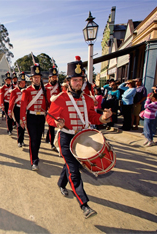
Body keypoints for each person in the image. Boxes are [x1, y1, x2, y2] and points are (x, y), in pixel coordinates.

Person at [47, 58, 112, 219]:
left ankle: (61, 184)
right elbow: (49, 118)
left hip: (82, 138)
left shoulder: (88, 99)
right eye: (75, 80)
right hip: (66, 138)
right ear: (68, 82)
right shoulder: (60, 99)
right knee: (74, 171)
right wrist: (57, 122)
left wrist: (103, 118)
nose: (78, 83)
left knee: (70, 166)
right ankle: (84, 205)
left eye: (80, 80)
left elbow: (92, 117)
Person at [20, 64, 50, 171]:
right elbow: (23, 106)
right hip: (31, 117)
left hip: (41, 118)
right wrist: (22, 120)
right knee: (33, 139)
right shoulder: (27, 91)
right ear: (31, 79)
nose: (37, 79)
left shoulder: (45, 90)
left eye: (38, 77)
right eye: (35, 77)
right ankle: (34, 161)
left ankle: (36, 155)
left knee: (38, 140)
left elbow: (49, 103)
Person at [44, 66, 61, 150]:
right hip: (49, 109)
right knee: (51, 126)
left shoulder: (59, 87)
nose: (54, 79)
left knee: (57, 126)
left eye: (55, 77)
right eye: (53, 77)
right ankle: (52, 143)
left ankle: (49, 139)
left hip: (58, 109)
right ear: (49, 78)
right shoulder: (45, 87)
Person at [8, 71, 26, 147]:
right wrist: (9, 111)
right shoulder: (14, 91)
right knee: (19, 125)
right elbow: (11, 102)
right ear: (18, 83)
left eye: (24, 83)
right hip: (17, 109)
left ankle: (22, 140)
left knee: (23, 125)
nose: (22, 84)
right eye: (21, 83)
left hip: (25, 110)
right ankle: (19, 141)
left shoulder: (26, 90)